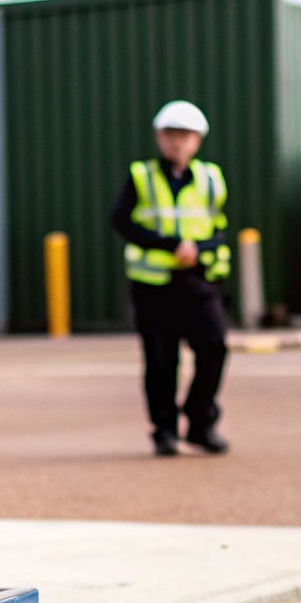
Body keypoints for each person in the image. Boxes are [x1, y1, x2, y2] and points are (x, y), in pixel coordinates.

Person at [109, 100, 232, 457]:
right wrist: (169, 244)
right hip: (153, 285)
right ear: (158, 138)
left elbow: (220, 226)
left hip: (199, 280)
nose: (177, 142)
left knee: (214, 347)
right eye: (170, 135)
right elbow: (122, 222)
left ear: (197, 140)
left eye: (185, 135)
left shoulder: (211, 179)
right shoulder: (140, 177)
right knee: (161, 360)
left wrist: (199, 247)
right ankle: (164, 431)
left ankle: (200, 421)